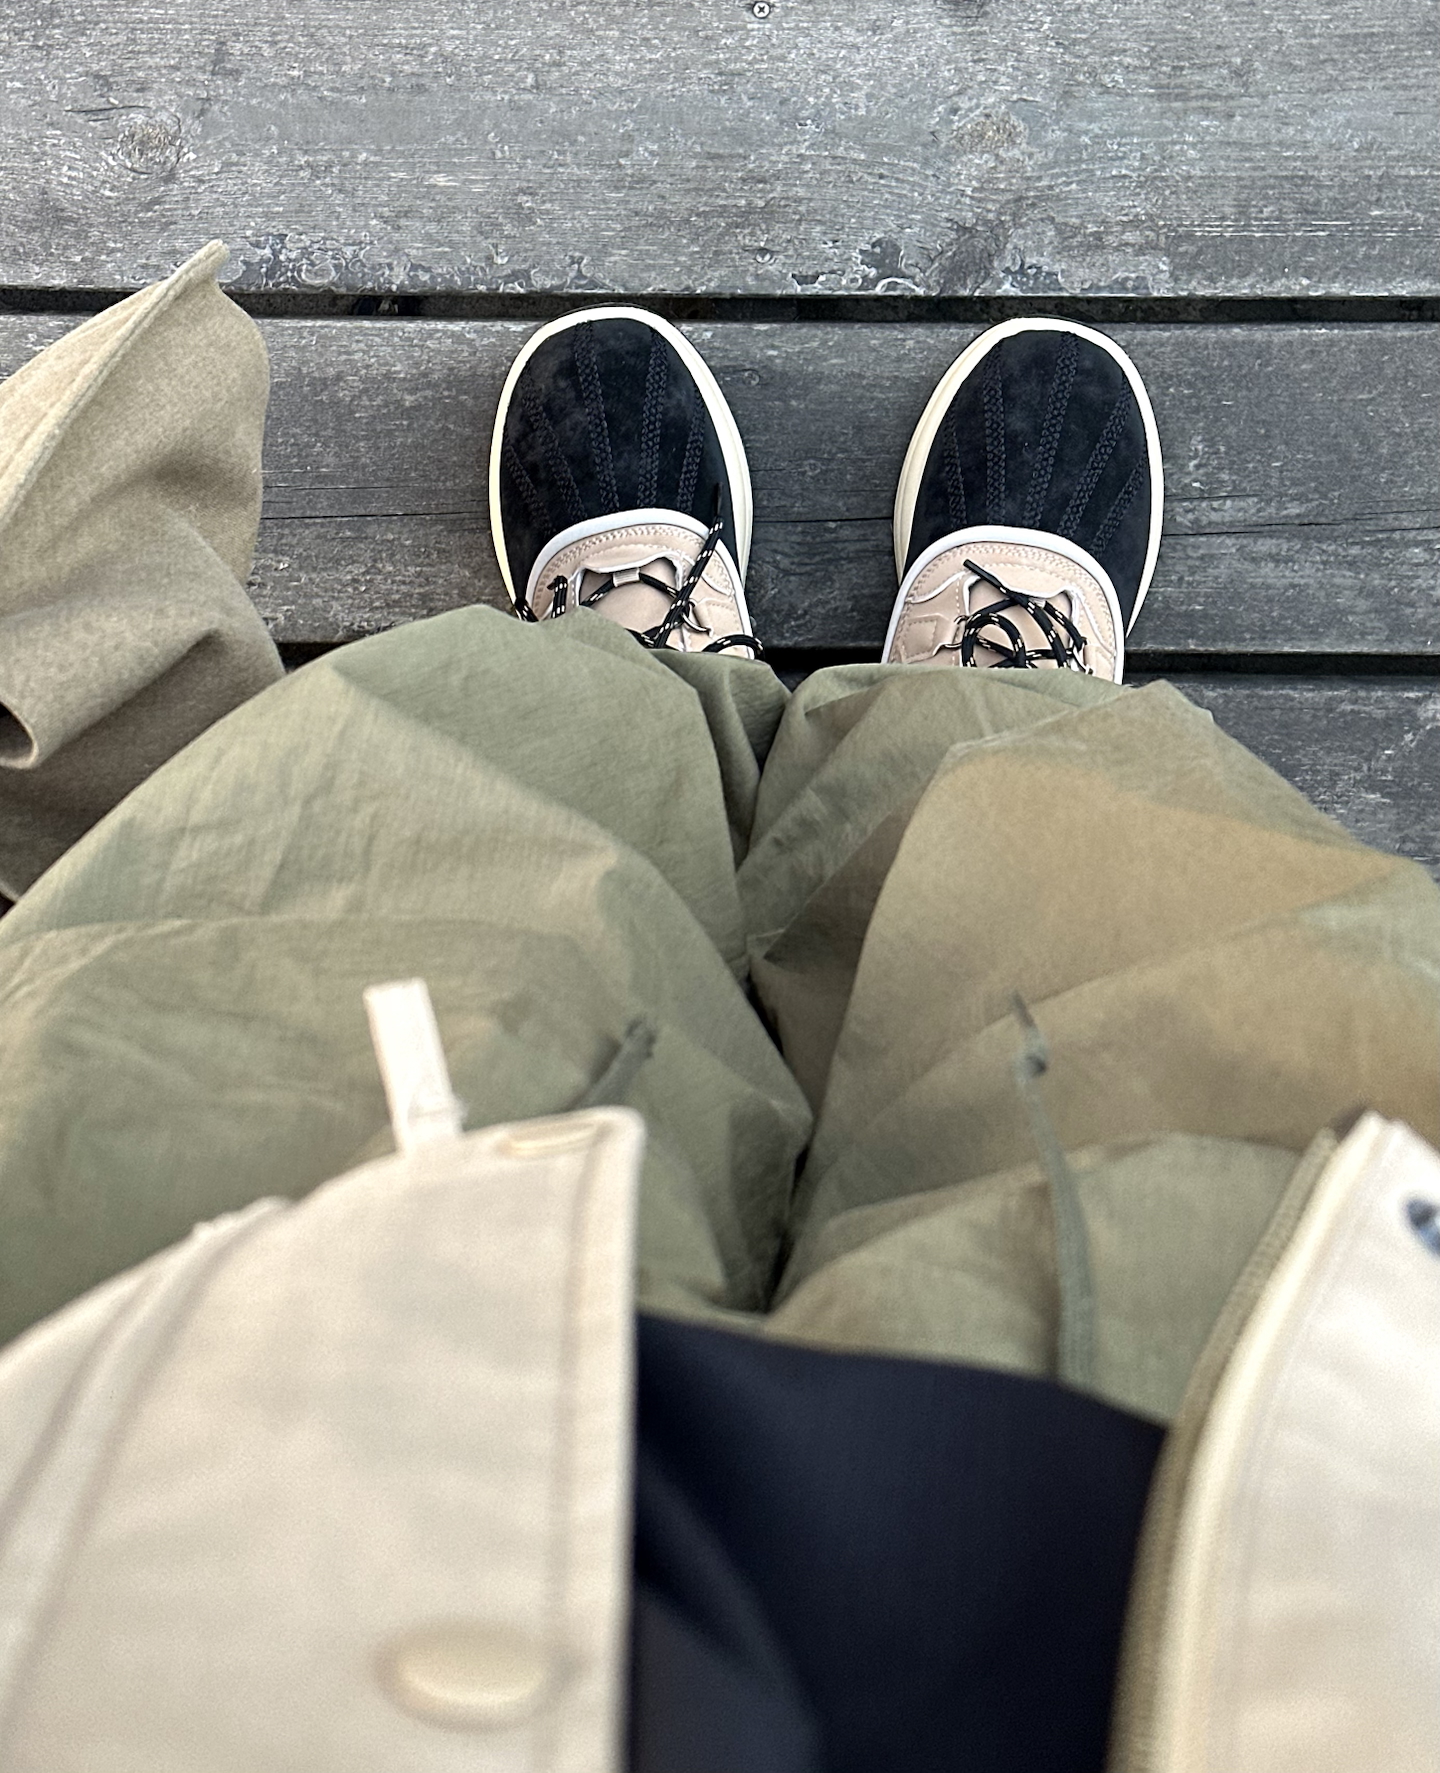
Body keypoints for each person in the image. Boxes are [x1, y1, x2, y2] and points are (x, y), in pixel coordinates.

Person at [0, 243, 1433, 1773]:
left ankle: (636, 690)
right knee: (1148, 995)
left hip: (225, 1532)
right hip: (1241, 1582)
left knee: (438, 905)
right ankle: (994, 718)